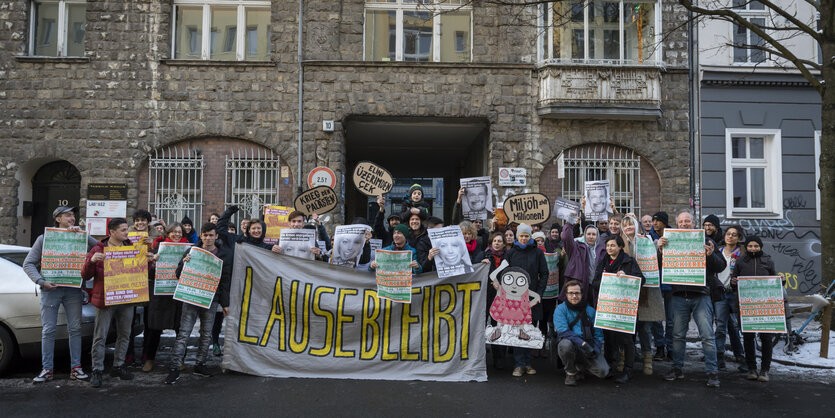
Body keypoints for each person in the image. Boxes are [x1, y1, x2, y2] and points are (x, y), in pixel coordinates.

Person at [23, 206, 98, 383]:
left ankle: (76, 368)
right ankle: (47, 369)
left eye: (73, 215)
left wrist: (83, 235)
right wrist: (41, 281)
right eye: (68, 215)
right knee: (48, 330)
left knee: (75, 328)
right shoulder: (44, 238)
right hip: (51, 290)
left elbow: (100, 247)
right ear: (58, 219)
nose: (72, 218)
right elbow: (28, 264)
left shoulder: (80, 237)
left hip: (73, 290)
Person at [660, 210, 726, 388]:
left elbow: (721, 266)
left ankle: (712, 372)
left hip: (701, 295)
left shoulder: (706, 241)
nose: (684, 224)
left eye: (687, 221)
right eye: (681, 222)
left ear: (694, 223)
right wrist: (659, 250)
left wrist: (711, 255)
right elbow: (658, 265)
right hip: (679, 296)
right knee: (678, 335)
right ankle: (677, 368)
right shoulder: (668, 241)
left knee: (707, 336)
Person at [165, 222, 233, 384]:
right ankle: (174, 367)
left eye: (211, 235)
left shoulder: (223, 254)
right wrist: (184, 263)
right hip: (190, 297)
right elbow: (177, 274)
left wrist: (225, 303)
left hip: (211, 298)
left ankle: (200, 364)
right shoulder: (192, 251)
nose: (208, 238)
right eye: (205, 235)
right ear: (201, 235)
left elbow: (225, 281)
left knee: (206, 333)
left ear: (216, 236)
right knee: (184, 333)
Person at [82, 218, 143, 388]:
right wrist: (91, 261)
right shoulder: (98, 249)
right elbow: (85, 276)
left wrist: (150, 260)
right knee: (100, 335)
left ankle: (118, 365)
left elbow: (141, 271)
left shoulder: (131, 248)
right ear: (112, 232)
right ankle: (97, 370)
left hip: (127, 297)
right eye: (123, 230)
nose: (126, 233)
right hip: (105, 299)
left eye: (126, 230)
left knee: (125, 334)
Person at [591, 235, 644, 383]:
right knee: (609, 339)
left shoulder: (629, 261)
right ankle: (610, 367)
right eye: (608, 245)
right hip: (608, 308)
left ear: (620, 247)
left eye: (613, 245)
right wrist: (606, 279)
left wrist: (626, 276)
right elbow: (594, 283)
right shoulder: (604, 262)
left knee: (627, 340)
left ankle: (628, 370)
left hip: (625, 308)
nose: (609, 248)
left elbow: (641, 280)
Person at [621, 214, 665, 375]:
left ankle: (647, 359)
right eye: (625, 226)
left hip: (646, 291)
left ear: (636, 225)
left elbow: (658, 258)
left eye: (630, 224)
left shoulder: (647, 241)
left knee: (645, 328)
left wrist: (659, 247)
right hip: (626, 292)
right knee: (625, 328)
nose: (628, 228)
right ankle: (624, 359)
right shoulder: (620, 243)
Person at [731, 235, 778, 382]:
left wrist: (781, 281)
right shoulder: (740, 261)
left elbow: (774, 281)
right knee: (748, 337)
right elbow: (734, 281)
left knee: (766, 337)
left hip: (765, 306)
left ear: (760, 247)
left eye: (756, 246)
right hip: (747, 305)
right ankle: (752, 368)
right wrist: (733, 283)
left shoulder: (768, 260)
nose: (753, 249)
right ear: (746, 247)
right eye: (750, 246)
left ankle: (765, 370)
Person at [502, 223, 547, 377]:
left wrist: (539, 293)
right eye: (521, 235)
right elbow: (503, 273)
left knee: (529, 329)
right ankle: (519, 364)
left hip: (532, 298)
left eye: (526, 236)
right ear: (517, 236)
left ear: (530, 237)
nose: (523, 238)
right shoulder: (510, 253)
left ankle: (528, 363)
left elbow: (544, 274)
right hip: (514, 298)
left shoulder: (538, 253)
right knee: (516, 330)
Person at [142, 223, 188, 372]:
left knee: (180, 329)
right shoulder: (159, 249)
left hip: (179, 294)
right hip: (161, 294)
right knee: (154, 328)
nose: (177, 234)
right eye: (174, 232)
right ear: (168, 233)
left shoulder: (189, 249)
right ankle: (149, 359)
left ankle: (179, 359)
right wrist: (153, 264)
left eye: (179, 232)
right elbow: (148, 274)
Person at [554, 280, 610, 386]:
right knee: (565, 345)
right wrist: (582, 344)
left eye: (577, 293)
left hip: (589, 345)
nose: (574, 296)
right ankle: (571, 372)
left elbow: (598, 334)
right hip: (572, 344)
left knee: (603, 371)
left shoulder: (591, 311)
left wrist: (595, 350)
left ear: (582, 294)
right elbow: (563, 332)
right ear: (566, 294)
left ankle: (580, 367)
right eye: (571, 293)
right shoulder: (560, 309)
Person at [714, 225, 747, 372]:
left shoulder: (742, 253)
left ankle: (740, 354)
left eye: (734, 235)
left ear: (739, 237)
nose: (730, 237)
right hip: (720, 292)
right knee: (720, 325)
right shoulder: (719, 251)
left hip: (735, 293)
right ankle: (719, 356)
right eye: (728, 234)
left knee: (736, 325)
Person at [560, 216, 605, 302]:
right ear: (584, 235)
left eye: (594, 234)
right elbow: (566, 237)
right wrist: (569, 223)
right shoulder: (576, 248)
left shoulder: (603, 250)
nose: (591, 237)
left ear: (597, 236)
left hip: (596, 288)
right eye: (588, 234)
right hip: (579, 287)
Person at [481, 232, 508, 369]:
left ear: (504, 244)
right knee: (481, 326)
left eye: (499, 241)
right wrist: (481, 265)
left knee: (498, 326)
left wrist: (502, 284)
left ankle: (499, 358)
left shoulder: (508, 257)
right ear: (491, 243)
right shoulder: (484, 255)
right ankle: (481, 358)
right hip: (485, 296)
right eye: (494, 241)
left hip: (501, 296)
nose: (497, 243)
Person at [650, 211, 672, 360]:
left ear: (664, 223)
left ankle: (670, 348)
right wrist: (657, 248)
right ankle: (659, 347)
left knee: (671, 318)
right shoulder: (648, 237)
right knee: (656, 317)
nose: (654, 223)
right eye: (653, 220)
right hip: (654, 280)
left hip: (671, 281)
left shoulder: (672, 235)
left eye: (658, 220)